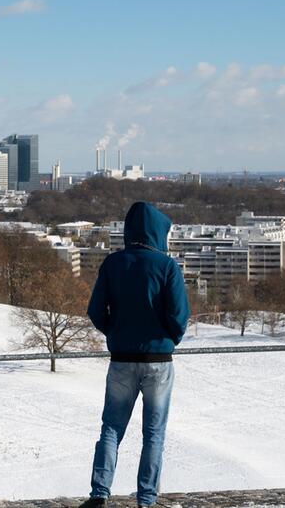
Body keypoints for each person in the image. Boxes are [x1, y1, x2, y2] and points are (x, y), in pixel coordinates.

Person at [80, 202, 190, 508]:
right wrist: (169, 339)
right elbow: (180, 316)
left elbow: (95, 311)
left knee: (111, 428)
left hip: (121, 360)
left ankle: (99, 493)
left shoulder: (112, 264)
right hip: (158, 362)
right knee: (153, 433)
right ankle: (146, 499)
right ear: (158, 231)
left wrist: (114, 332)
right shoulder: (167, 266)